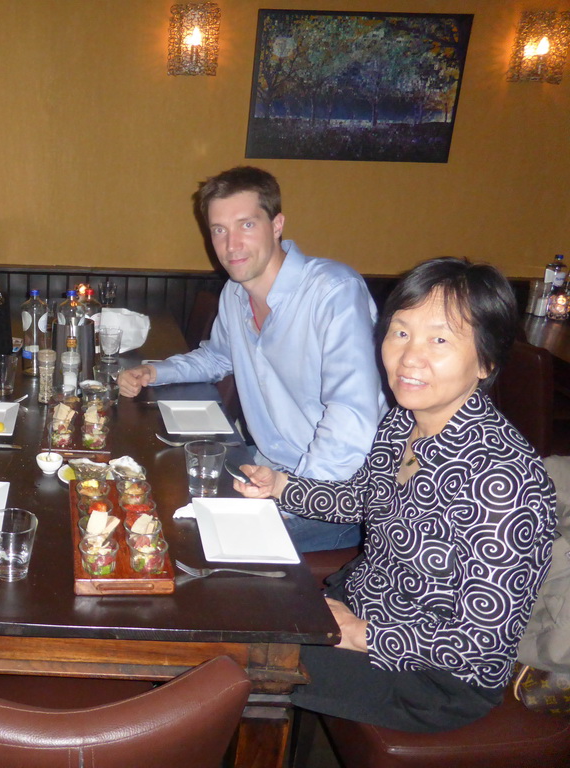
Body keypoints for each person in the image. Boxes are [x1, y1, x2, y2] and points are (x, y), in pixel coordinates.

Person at [236, 257, 556, 732]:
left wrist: (362, 633)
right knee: (231, 598)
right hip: (362, 602)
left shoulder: (505, 482)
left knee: (237, 655)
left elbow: (481, 644)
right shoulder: (402, 421)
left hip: (433, 677)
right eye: (400, 332)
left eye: (440, 339)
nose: (409, 357)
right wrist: (282, 487)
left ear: (486, 361)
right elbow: (362, 500)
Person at [118, 166, 386, 552]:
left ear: (277, 224)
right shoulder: (235, 293)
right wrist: (154, 371)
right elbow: (215, 357)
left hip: (333, 498)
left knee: (180, 542)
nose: (231, 245)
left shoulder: (333, 291)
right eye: (219, 230)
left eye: (246, 224)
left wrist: (293, 495)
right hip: (263, 468)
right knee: (148, 498)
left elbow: (351, 417)